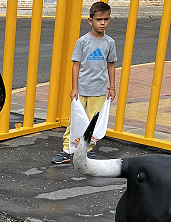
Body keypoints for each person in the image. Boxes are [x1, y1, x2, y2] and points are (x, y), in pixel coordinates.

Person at [52, 1, 117, 164]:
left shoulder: (110, 42)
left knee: (92, 122)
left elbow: (111, 64)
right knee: (75, 121)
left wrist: (112, 87)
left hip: (100, 91)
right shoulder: (82, 41)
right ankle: (67, 150)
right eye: (99, 19)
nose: (103, 23)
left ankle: (88, 150)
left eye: (106, 19)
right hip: (81, 90)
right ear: (90, 21)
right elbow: (76, 65)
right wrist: (74, 88)